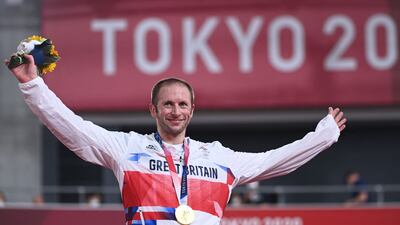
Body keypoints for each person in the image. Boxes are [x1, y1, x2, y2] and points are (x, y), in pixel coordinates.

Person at [5, 55, 346, 225]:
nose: (175, 111)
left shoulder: (219, 157)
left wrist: (323, 136)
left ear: (193, 110)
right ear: (152, 109)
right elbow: (72, 127)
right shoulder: (128, 149)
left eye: (182, 104)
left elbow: (275, 159)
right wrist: (33, 85)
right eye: (167, 104)